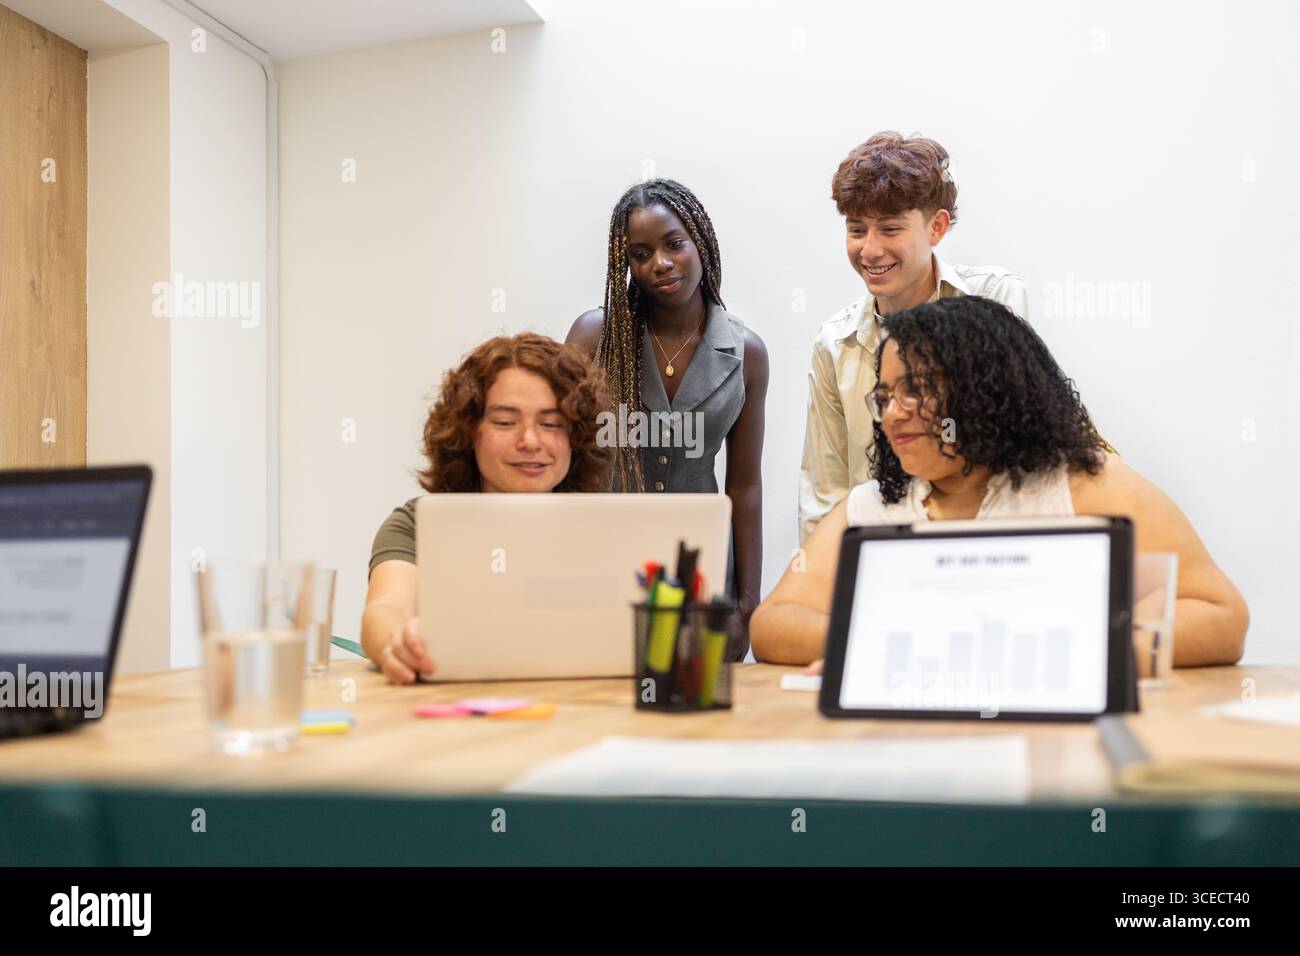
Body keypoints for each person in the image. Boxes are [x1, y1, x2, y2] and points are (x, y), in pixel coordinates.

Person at [754, 297, 1248, 669]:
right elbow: (774, 623)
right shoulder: (874, 506)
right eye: (883, 395)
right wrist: (893, 643)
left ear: (984, 393)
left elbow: (1221, 618)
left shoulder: (1086, 485)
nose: (891, 414)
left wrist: (1054, 652)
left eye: (916, 390)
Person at [566, 179, 768, 646]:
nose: (660, 263)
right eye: (640, 254)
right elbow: (561, 457)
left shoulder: (745, 353)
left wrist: (746, 605)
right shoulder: (595, 336)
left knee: (697, 714)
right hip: (604, 563)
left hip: (701, 571)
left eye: (674, 244)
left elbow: (745, 483)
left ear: (700, 241)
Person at [800, 132, 1029, 542]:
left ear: (937, 226)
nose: (869, 250)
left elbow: (1012, 443)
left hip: (987, 543)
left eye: (890, 229)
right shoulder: (836, 343)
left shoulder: (994, 299)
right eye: (856, 230)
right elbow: (826, 492)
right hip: (878, 553)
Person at [361, 333, 613, 684]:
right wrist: (398, 643)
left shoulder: (606, 529)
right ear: (469, 432)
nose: (530, 441)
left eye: (551, 424)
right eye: (505, 422)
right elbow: (385, 610)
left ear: (576, 437)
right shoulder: (417, 524)